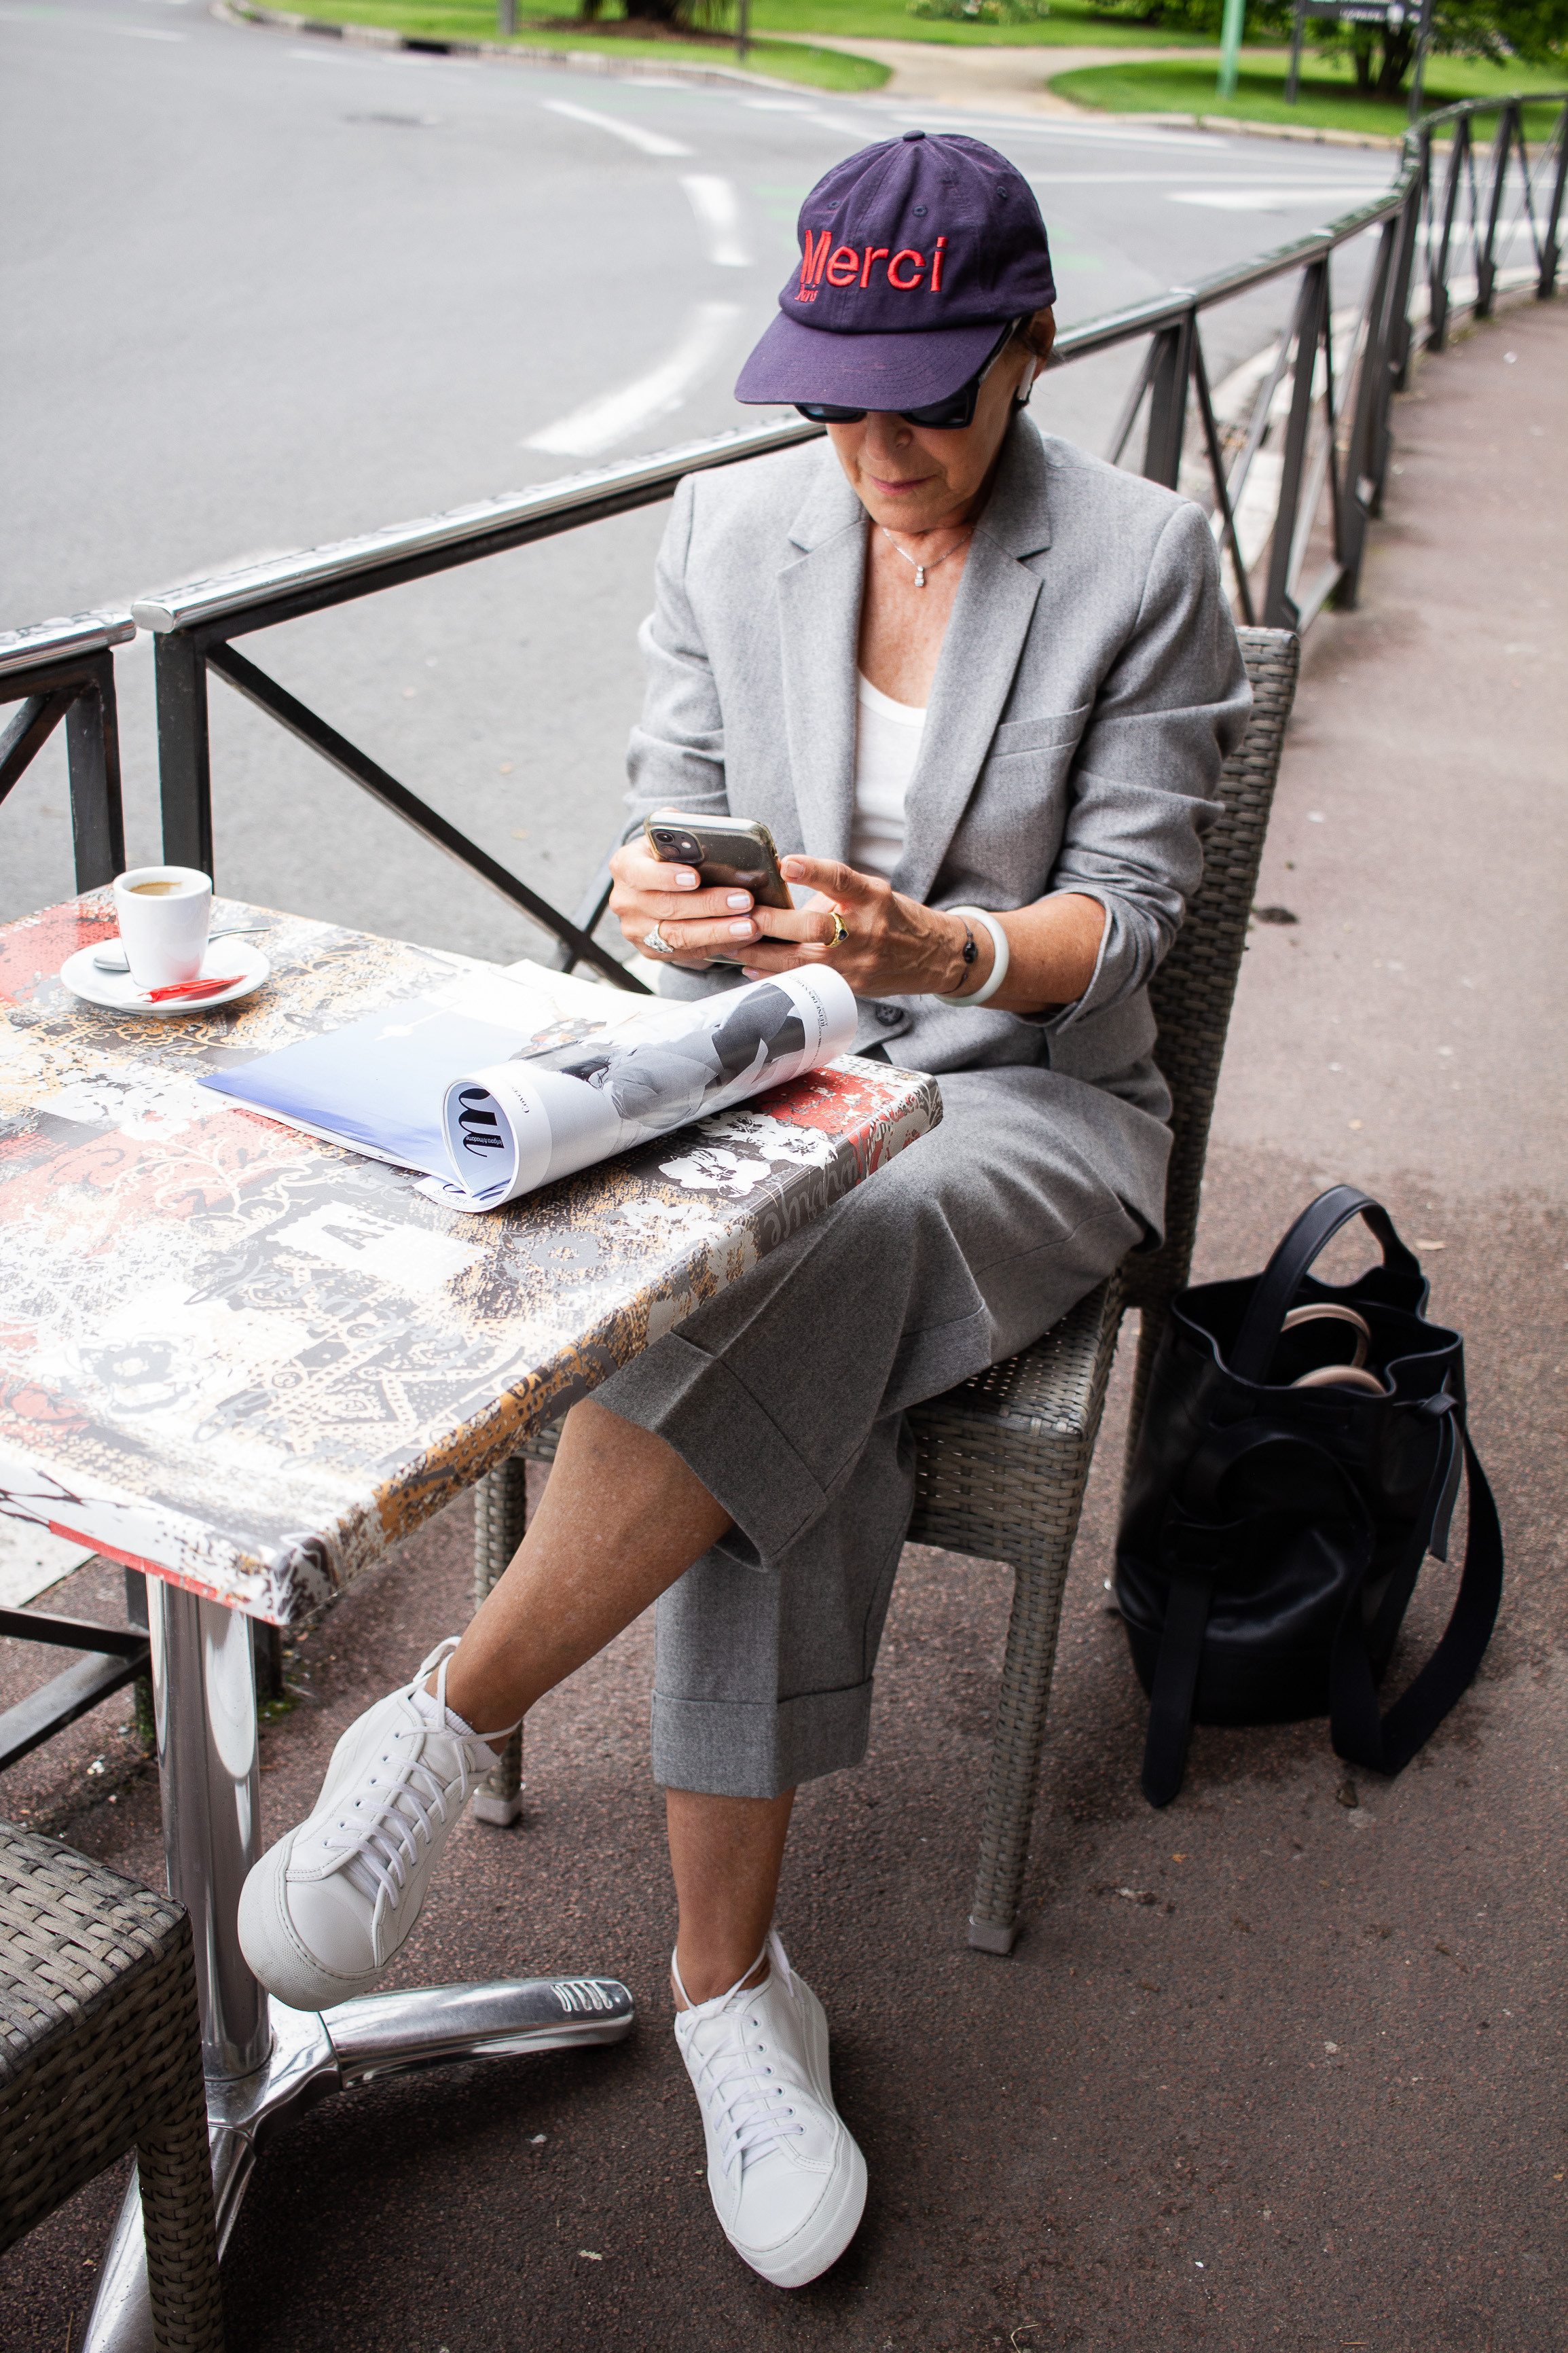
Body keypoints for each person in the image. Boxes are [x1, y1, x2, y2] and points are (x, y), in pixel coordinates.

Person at [238, 130, 1250, 2292]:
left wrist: (946, 957)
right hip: (779, 1077)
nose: (875, 443)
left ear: (1032, 342)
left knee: (824, 1246)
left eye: (928, 397)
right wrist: (662, 900)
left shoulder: (1150, 557)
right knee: (804, 1353)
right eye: (836, 394)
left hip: (1023, 1110)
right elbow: (660, 824)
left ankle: (455, 1717)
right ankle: (732, 1997)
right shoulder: (730, 523)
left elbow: (1133, 926)